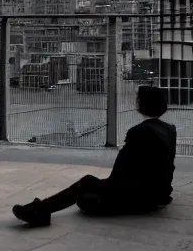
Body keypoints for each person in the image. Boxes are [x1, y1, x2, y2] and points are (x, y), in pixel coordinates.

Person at [12, 86, 177, 227]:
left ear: (143, 104)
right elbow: (169, 167)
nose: (136, 102)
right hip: (156, 194)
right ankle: (42, 208)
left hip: (138, 197)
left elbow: (120, 174)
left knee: (86, 190)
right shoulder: (170, 130)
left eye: (138, 99)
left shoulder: (139, 132)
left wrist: (100, 186)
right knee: (87, 192)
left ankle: (41, 211)